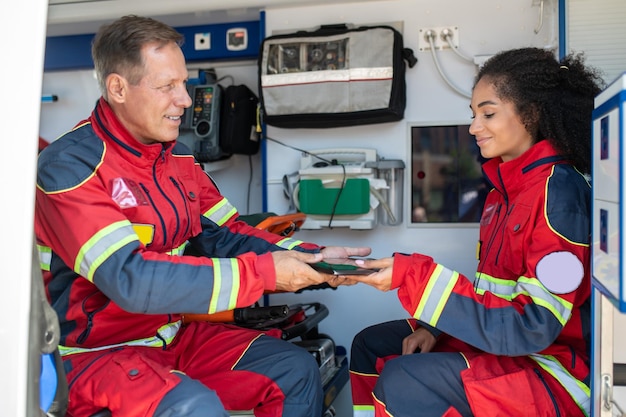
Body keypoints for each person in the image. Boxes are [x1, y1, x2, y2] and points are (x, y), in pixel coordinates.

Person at [34, 15, 370, 417]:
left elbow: (227, 235)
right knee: (195, 407)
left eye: (184, 83)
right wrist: (265, 273)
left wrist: (314, 258)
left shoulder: (179, 161)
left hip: (171, 336)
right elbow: (130, 279)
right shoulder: (69, 167)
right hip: (93, 355)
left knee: (295, 370)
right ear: (118, 88)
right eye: (167, 86)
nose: (186, 100)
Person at [348, 47, 604, 417]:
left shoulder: (559, 197)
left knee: (403, 378)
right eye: (473, 115)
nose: (473, 127)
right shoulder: (503, 193)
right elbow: (493, 294)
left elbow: (533, 327)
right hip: (507, 344)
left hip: (552, 368)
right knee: (371, 345)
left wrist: (413, 276)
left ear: (531, 114)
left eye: (488, 113)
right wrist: (434, 329)